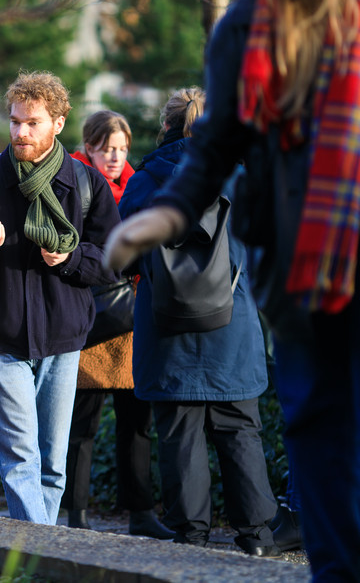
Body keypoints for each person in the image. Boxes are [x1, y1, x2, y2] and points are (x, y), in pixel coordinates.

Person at [106, 0, 360, 575]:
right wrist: (166, 211)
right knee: (315, 430)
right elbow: (216, 142)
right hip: (296, 264)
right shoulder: (248, 21)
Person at [0, 71, 121, 525]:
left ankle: (38, 553)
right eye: (15, 121)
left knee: (52, 461)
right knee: (20, 457)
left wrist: (68, 258)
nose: (20, 132)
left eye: (33, 123)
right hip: (2, 338)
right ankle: (39, 554)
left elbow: (114, 260)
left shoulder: (86, 184)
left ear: (58, 124)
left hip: (63, 338)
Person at [118, 88, 280, 557]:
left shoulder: (145, 181)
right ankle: (257, 538)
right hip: (231, 324)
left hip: (166, 326)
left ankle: (191, 540)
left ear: (165, 126)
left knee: (178, 434)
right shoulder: (242, 175)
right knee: (240, 430)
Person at [65, 110, 173, 540]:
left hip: (130, 321)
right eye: (107, 148)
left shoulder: (138, 184)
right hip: (88, 320)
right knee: (81, 426)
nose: (115, 156)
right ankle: (75, 513)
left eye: (122, 148)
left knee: (136, 422)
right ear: (88, 147)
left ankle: (141, 512)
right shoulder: (70, 182)